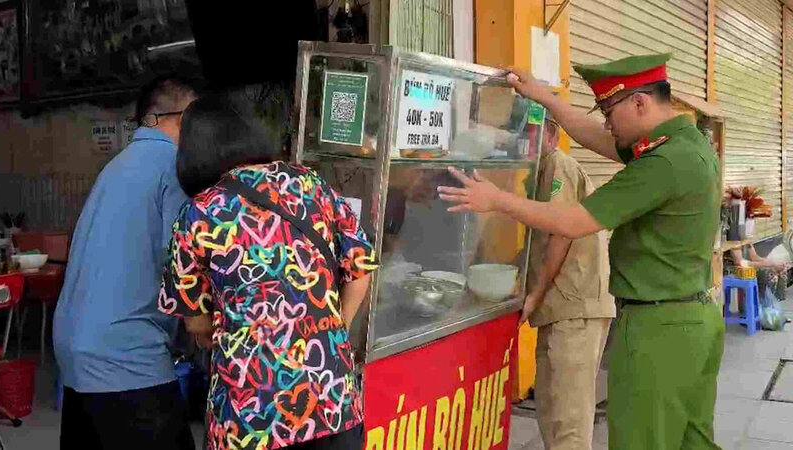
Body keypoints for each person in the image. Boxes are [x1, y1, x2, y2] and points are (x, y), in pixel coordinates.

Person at [438, 53, 723, 449]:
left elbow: (571, 222)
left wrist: (495, 199)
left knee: (643, 441)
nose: (606, 123)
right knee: (691, 441)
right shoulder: (687, 143)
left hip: (659, 328)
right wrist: (543, 96)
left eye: (609, 110)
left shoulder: (665, 163)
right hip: (694, 319)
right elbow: (596, 137)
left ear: (639, 103)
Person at [158, 85, 378, 450]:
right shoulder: (311, 185)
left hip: (250, 418)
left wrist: (221, 329)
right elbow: (361, 267)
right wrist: (334, 326)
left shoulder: (199, 213)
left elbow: (194, 320)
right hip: (332, 402)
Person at [53, 78, 198, 450]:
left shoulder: (115, 167)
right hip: (128, 358)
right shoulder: (173, 167)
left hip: (76, 353)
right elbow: (183, 264)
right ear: (181, 119)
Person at [518, 112, 615, 450]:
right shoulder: (537, 172)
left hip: (574, 307)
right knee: (549, 408)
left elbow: (560, 232)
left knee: (568, 423)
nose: (524, 139)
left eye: (531, 131)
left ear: (551, 134)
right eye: (520, 131)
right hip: (558, 309)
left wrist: (535, 293)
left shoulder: (559, 166)